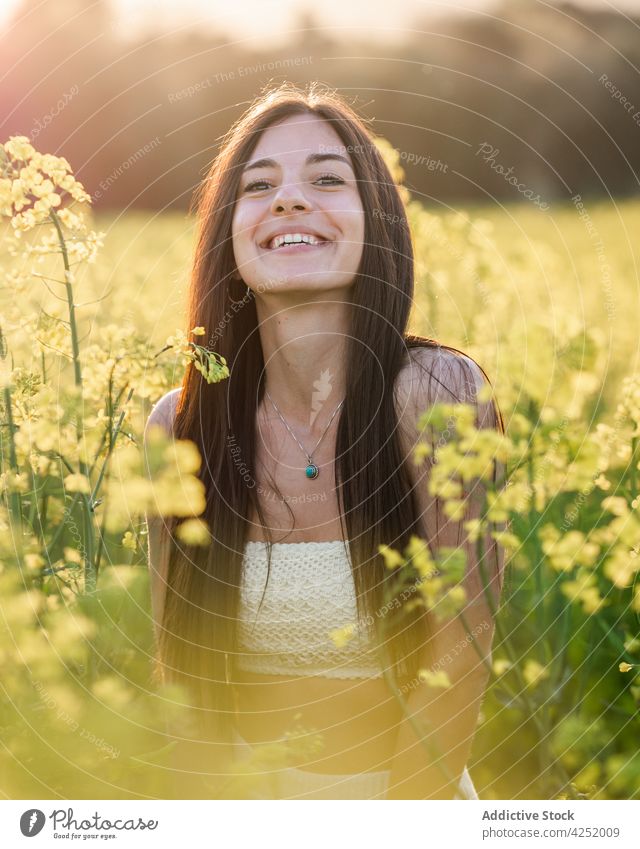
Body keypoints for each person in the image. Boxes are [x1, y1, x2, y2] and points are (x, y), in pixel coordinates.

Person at [144, 81, 505, 800]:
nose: (289, 199)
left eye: (327, 179)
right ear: (229, 230)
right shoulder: (177, 428)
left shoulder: (438, 393)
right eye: (259, 185)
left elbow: (459, 657)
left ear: (378, 221)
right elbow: (179, 677)